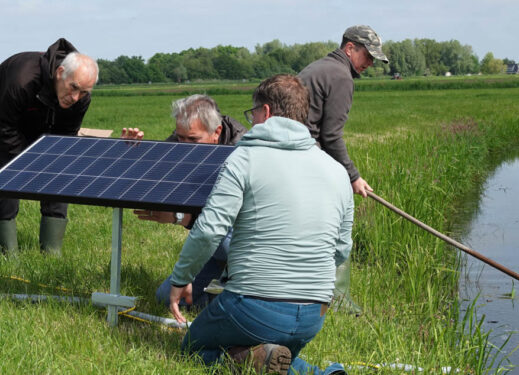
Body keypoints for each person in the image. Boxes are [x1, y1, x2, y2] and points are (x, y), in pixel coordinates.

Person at [168, 75, 353, 375]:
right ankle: (312, 371)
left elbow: (210, 230)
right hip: (314, 313)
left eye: (252, 113)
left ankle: (260, 358)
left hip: (252, 307)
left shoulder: (245, 158)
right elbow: (341, 250)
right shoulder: (336, 170)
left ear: (265, 113)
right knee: (274, 355)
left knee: (193, 349)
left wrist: (181, 279)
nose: (251, 120)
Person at [0, 38, 99, 255]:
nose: (76, 97)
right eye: (73, 88)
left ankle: (51, 250)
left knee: (58, 168)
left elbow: (65, 140)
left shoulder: (80, 98)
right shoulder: (23, 80)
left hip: (40, 113)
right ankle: (8, 251)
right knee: (9, 169)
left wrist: (52, 165)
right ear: (60, 73)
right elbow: (5, 130)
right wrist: (29, 167)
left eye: (84, 92)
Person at [121, 94, 247, 308]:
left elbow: (231, 226)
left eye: (193, 140)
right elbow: (150, 180)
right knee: (166, 298)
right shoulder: (178, 145)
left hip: (246, 244)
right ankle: (218, 297)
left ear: (216, 133)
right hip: (212, 246)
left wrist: (182, 218)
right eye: (180, 138)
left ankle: (241, 292)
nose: (185, 146)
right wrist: (131, 156)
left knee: (220, 239)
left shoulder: (244, 153)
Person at [298, 25, 388, 312]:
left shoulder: (320, 67)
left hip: (293, 150)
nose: (371, 64)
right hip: (306, 152)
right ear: (350, 48)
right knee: (337, 219)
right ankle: (335, 298)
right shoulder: (341, 76)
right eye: (368, 56)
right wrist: (352, 176)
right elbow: (331, 136)